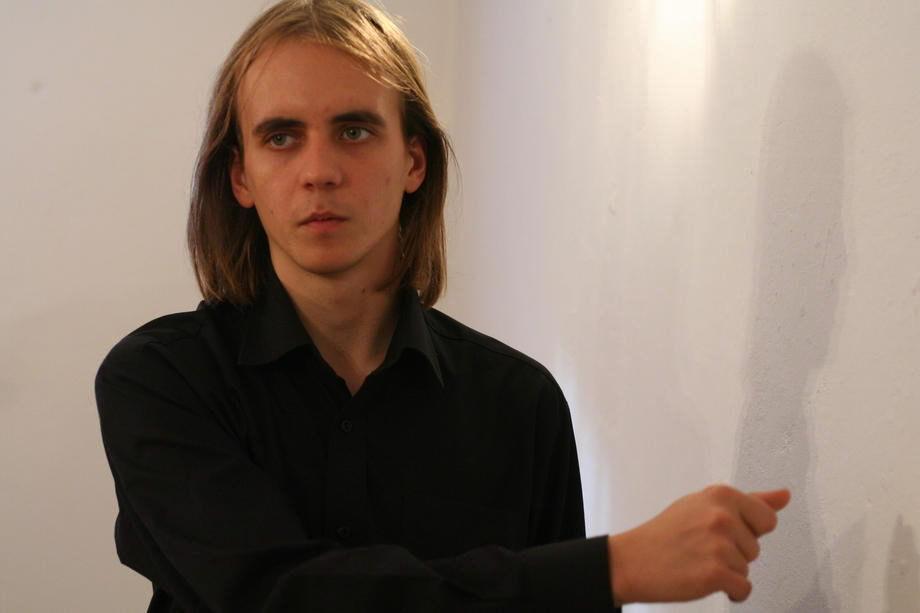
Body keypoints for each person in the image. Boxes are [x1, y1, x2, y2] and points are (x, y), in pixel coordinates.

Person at [94, 1, 791, 611]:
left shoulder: (521, 403)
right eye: (281, 137)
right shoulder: (160, 379)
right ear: (241, 176)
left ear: (414, 161)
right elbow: (277, 596)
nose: (319, 171)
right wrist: (610, 568)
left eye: (354, 130)